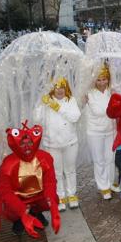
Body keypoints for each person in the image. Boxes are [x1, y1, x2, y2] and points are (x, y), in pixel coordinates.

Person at [0, 121, 61, 239]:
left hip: (39, 197)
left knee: (51, 198)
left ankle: (35, 212)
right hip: (18, 200)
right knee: (10, 208)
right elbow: (5, 192)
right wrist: (22, 212)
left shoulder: (45, 158)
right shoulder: (8, 164)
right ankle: (19, 219)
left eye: (30, 143)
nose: (27, 148)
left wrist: (53, 207)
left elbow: (50, 182)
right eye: (22, 144)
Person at [33, 77, 81, 211]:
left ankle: (72, 194)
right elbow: (37, 119)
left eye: (62, 86)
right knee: (56, 172)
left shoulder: (71, 100)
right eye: (56, 87)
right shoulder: (46, 101)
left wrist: (58, 108)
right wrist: (40, 104)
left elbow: (75, 117)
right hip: (52, 144)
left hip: (70, 142)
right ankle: (60, 196)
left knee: (70, 169)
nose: (59, 90)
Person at [85, 64, 119, 200]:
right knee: (99, 160)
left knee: (110, 158)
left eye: (104, 79)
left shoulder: (112, 91)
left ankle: (111, 182)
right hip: (95, 132)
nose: (102, 82)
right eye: (99, 80)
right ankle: (103, 186)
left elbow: (119, 108)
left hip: (111, 130)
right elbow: (99, 111)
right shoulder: (89, 94)